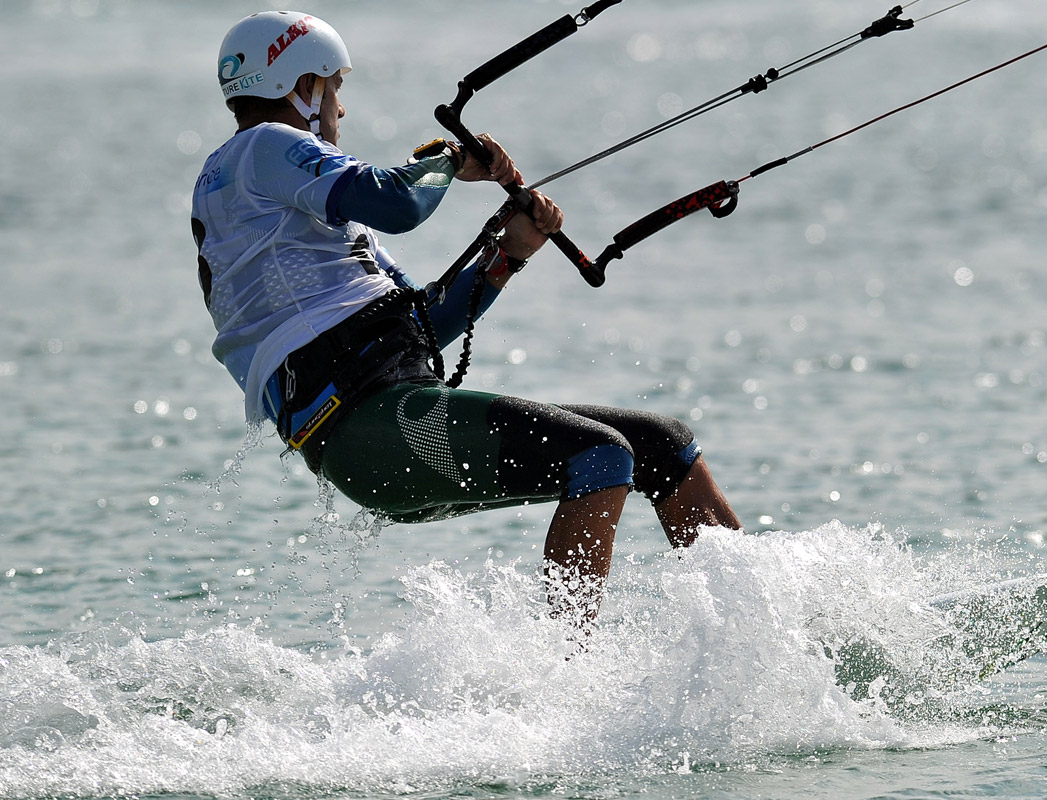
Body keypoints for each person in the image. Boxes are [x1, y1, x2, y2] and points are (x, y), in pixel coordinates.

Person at [190, 11, 741, 620]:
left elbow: (423, 327)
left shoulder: (293, 217)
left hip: (390, 422)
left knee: (662, 444)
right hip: (366, 428)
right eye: (336, 87)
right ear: (302, 85)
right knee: (600, 454)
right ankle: (565, 679)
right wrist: (451, 161)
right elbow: (397, 199)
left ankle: (752, 638)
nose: (340, 110)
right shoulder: (264, 145)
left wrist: (510, 255)